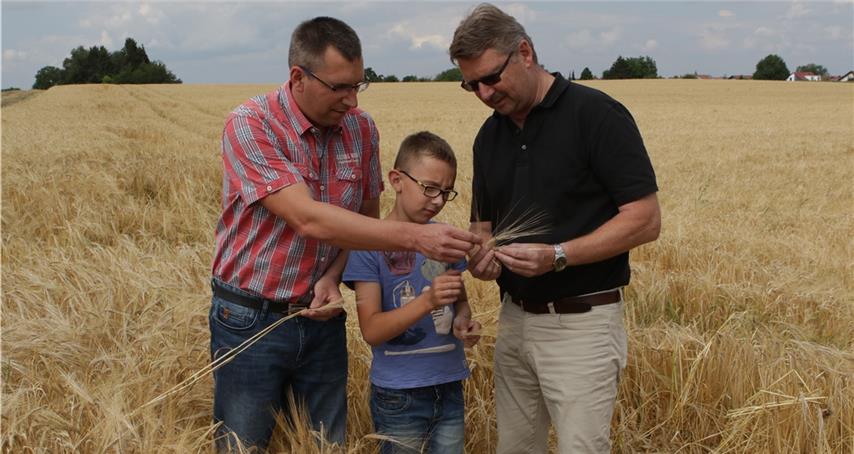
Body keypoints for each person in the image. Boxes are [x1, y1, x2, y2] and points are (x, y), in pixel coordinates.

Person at [209, 17, 480, 452]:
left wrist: (334, 275)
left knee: (325, 444)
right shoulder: (250, 124)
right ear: (298, 77)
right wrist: (416, 238)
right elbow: (307, 219)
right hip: (251, 319)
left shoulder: (360, 127)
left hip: (325, 318)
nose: (352, 100)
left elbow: (365, 219)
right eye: (339, 87)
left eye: (359, 85)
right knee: (244, 444)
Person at [450, 4, 661, 454]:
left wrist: (557, 255)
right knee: (515, 448)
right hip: (514, 320)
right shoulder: (489, 138)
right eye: (472, 85)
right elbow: (482, 228)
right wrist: (481, 260)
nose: (484, 93)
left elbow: (645, 219)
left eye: (491, 78)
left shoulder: (597, 115)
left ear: (524, 52)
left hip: (582, 325)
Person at [342, 131, 482, 454]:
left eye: (446, 192)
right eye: (429, 188)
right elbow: (372, 330)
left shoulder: (446, 241)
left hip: (449, 385)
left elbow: (460, 304)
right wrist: (427, 301)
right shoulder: (369, 246)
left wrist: (464, 323)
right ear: (396, 180)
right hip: (398, 395)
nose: (437, 200)